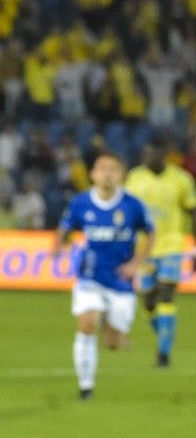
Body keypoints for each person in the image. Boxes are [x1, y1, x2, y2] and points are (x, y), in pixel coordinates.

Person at [52, 152, 154, 399]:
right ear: (93, 174)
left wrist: (135, 263)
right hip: (90, 276)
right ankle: (86, 387)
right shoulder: (80, 203)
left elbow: (150, 233)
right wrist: (58, 245)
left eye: (113, 169)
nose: (107, 174)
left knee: (112, 343)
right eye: (102, 168)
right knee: (87, 324)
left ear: (121, 175)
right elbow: (64, 228)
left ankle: (116, 335)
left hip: (121, 280)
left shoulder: (132, 205)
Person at [124, 140, 196, 368]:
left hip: (171, 245)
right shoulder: (134, 179)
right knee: (148, 302)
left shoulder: (181, 179)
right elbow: (127, 214)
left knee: (166, 295)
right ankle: (165, 337)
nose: (147, 158)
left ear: (163, 154)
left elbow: (194, 212)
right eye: (145, 153)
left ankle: (163, 354)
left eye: (152, 153)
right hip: (144, 247)